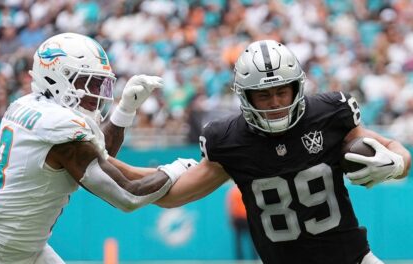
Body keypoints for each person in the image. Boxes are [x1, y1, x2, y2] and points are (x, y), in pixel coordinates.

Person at [154, 40, 412, 264]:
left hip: (354, 259)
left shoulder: (329, 114)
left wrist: (397, 164)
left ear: (296, 88)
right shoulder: (229, 140)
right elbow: (170, 197)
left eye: (282, 91)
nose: (275, 103)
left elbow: (398, 153)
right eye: (263, 95)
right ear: (246, 97)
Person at [0, 32, 195, 264]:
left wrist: (125, 110)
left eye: (100, 83)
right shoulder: (57, 128)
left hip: (14, 243)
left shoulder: (29, 105)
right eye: (89, 81)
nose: (97, 92)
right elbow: (128, 194)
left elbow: (97, 154)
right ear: (58, 77)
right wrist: (178, 169)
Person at [226, 184, 257, 261]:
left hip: (239, 218)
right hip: (245, 217)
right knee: (252, 240)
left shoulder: (233, 191)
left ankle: (240, 259)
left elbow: (230, 206)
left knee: (239, 241)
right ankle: (253, 258)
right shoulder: (246, 189)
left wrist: (231, 218)